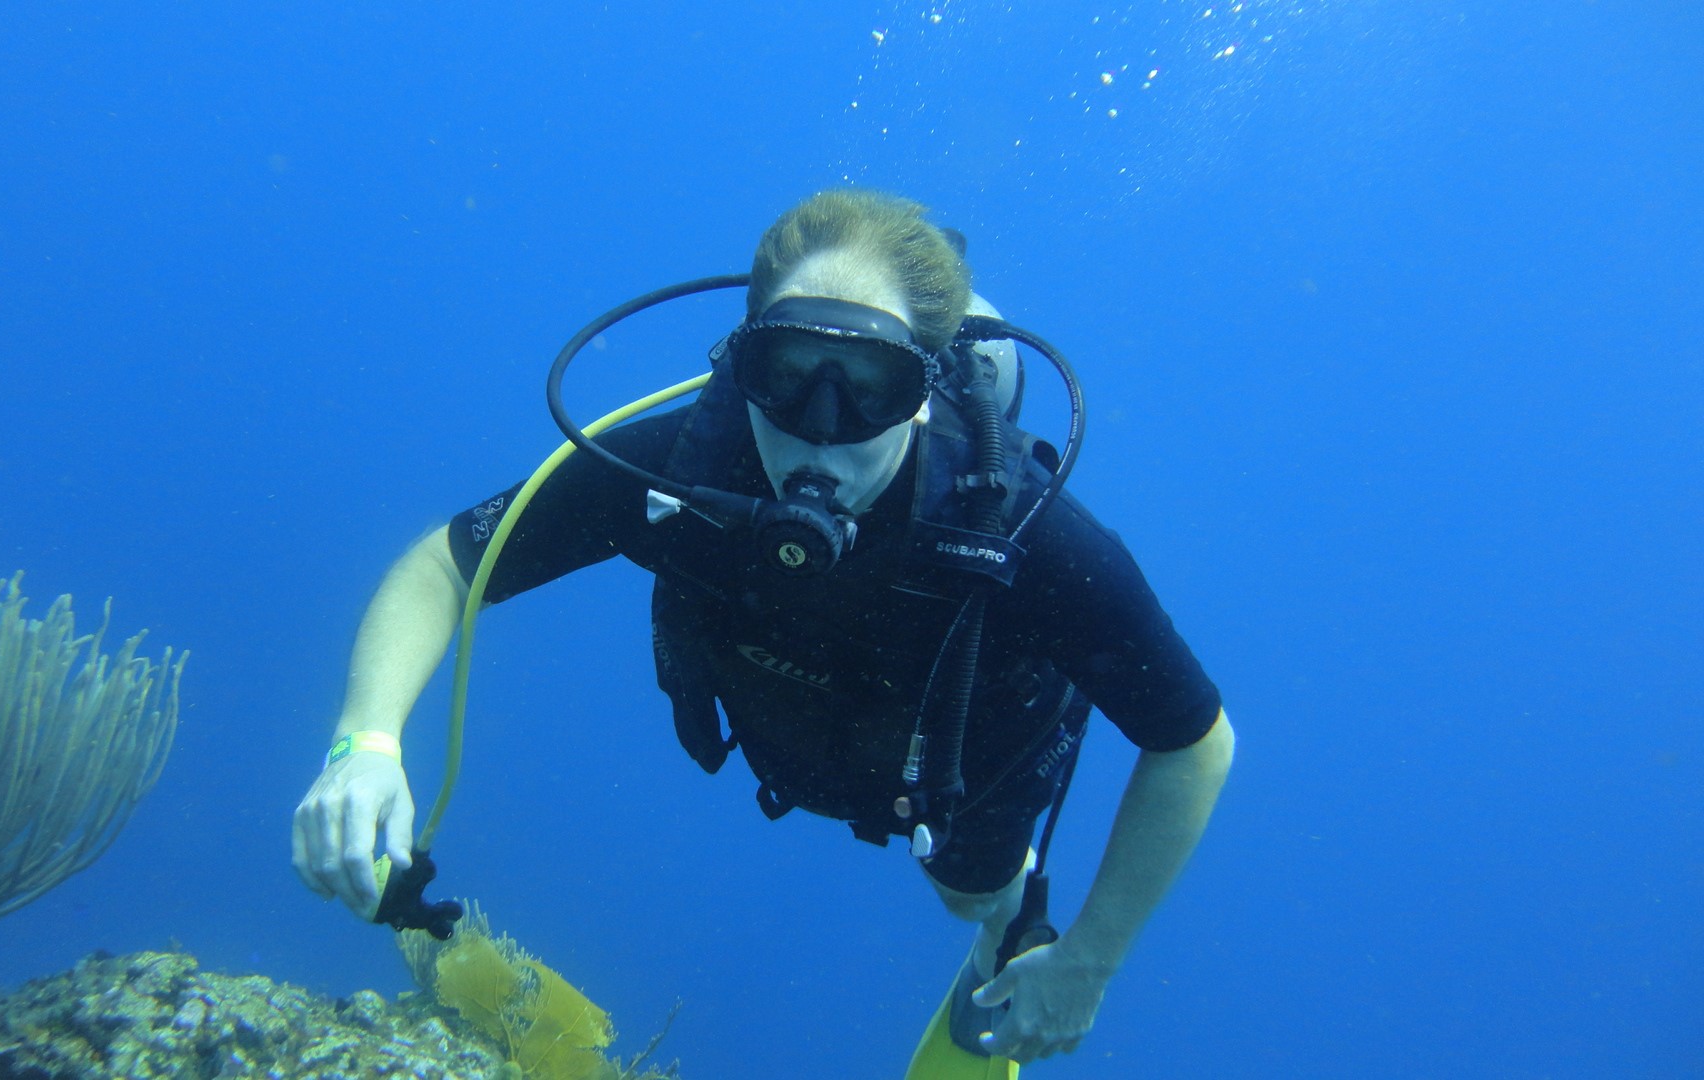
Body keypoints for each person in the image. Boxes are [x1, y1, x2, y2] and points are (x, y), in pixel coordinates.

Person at [292, 189, 1234, 1069]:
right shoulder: (673, 473)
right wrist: (364, 742)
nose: (820, 430)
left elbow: (1193, 743)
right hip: (793, 731)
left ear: (927, 386)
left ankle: (1006, 926)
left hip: (966, 758)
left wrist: (1090, 962)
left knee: (968, 889)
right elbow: (445, 564)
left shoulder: (1019, 530)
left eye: (871, 385)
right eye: (786, 374)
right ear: (741, 359)